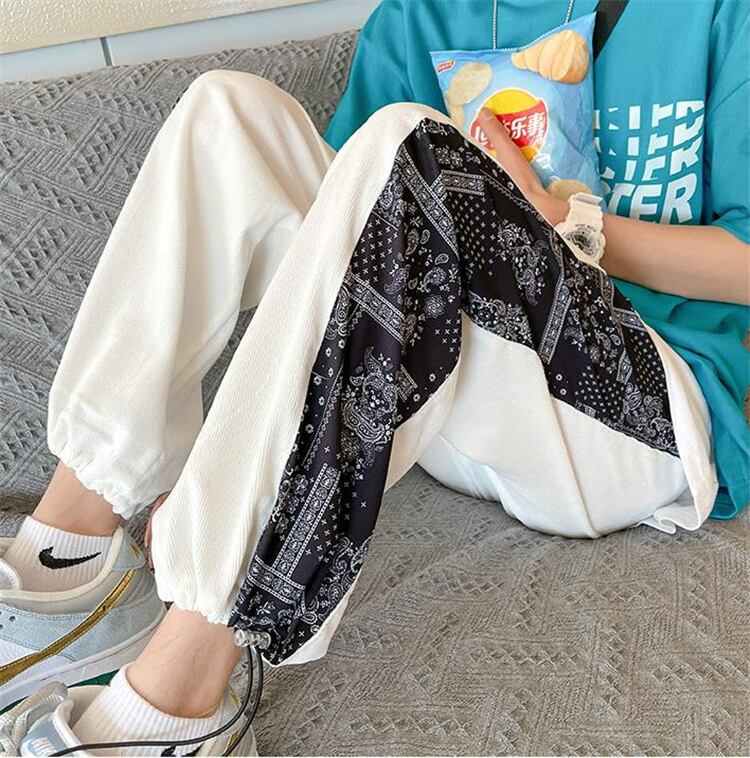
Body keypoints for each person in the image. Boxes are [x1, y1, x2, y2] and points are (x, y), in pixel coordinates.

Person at [0, 0, 747, 754]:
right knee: (229, 114)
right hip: (445, 411)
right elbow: (338, 256)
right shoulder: (424, 15)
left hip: (638, 421)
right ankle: (69, 564)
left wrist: (561, 220)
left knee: (411, 144)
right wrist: (222, 473)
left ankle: (183, 692)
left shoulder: (716, 14)